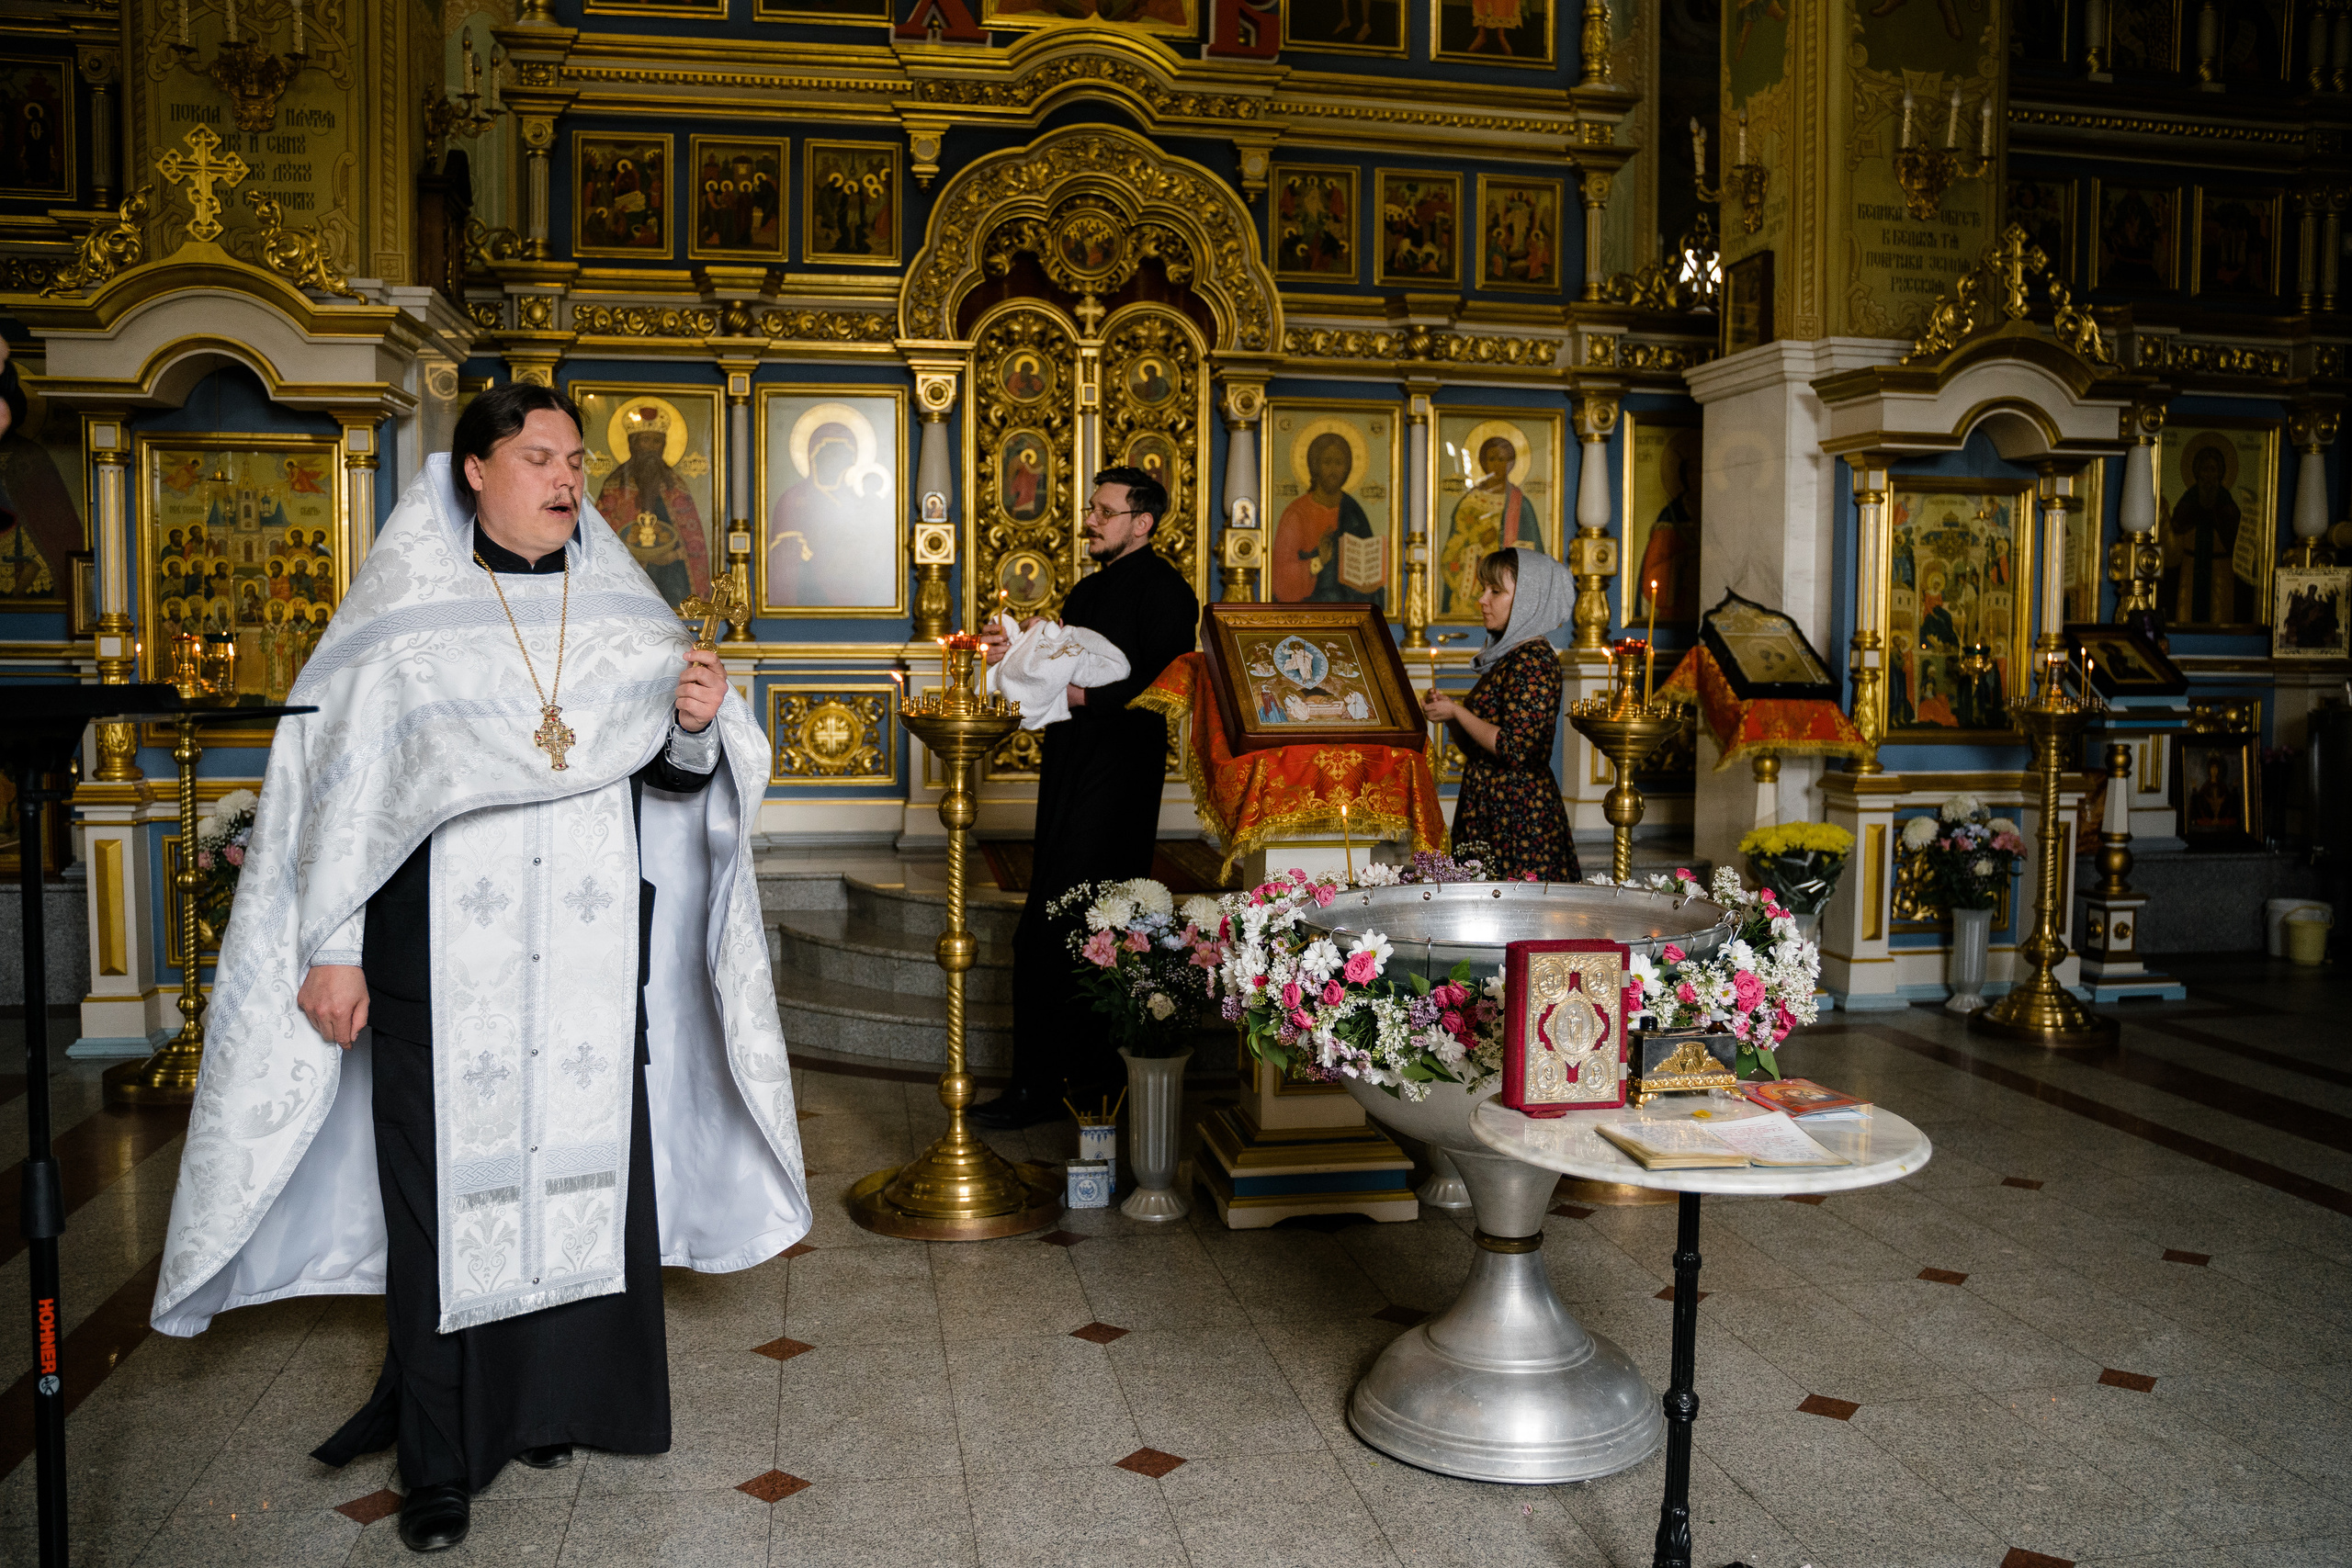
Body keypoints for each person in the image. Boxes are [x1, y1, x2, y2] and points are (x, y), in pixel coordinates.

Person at [147, 384, 809, 1554]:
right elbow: (341, 798)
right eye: (539, 457)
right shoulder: (400, 622)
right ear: (473, 471)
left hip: (589, 962)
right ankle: (440, 1462)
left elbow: (669, 783)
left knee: (578, 1180)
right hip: (438, 964)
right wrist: (334, 950)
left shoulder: (625, 618)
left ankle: (549, 1406)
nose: (567, 479)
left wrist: (697, 724)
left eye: (575, 461)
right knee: (440, 1209)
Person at [969, 466, 1198, 1129]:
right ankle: (1051, 1084)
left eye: (1103, 511)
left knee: (1080, 927)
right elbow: (1055, 663)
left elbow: (1162, 684)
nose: (1090, 521)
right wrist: (1015, 655)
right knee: (1054, 922)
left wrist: (1077, 695)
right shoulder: (1088, 589)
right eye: (1091, 510)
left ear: (1141, 522)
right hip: (1070, 767)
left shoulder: (1167, 591)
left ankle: (1071, 1086)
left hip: (1119, 776)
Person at [1420, 547, 1578, 881]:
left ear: (1527, 601)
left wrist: (1458, 711)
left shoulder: (1534, 661)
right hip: (1489, 808)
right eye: (1484, 589)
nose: (1482, 600)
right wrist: (1452, 716)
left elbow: (1514, 749)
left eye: (1495, 591)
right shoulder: (1510, 657)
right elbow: (1479, 748)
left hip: (1518, 818)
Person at [595, 402, 710, 610]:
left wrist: (673, 555)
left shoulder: (676, 487)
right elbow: (601, 541)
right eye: (645, 440)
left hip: (672, 579)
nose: (651, 448)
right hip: (626, 581)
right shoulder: (615, 487)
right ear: (633, 443)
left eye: (657, 441)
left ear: (664, 445)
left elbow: (692, 542)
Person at [1272, 431, 1380, 604]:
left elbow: (1369, 568)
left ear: (1347, 468)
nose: (1333, 470)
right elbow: (1281, 579)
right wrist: (1318, 562)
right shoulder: (1296, 514)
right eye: (1327, 462)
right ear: (1315, 466)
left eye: (1339, 463)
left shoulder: (1353, 511)